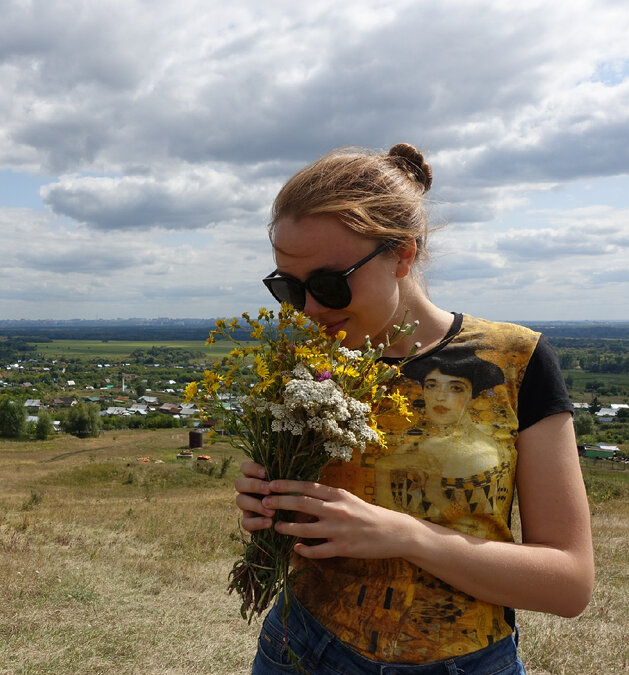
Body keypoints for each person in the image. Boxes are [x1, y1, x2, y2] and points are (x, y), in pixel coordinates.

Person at [234, 143, 593, 674]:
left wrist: (407, 536)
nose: (309, 310)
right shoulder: (307, 365)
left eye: (331, 285)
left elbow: (569, 583)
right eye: (288, 287)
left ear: (402, 254)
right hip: (300, 650)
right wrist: (270, 509)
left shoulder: (515, 361)